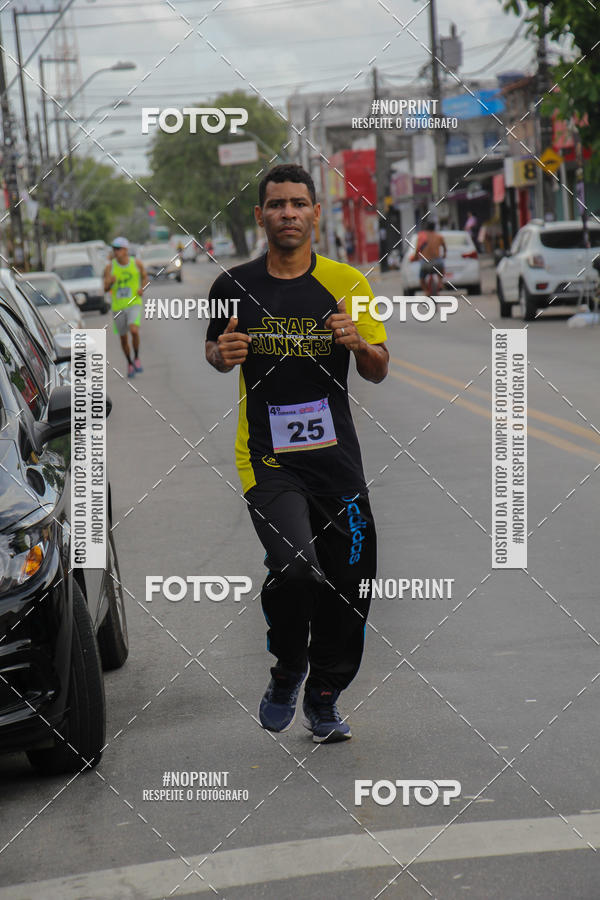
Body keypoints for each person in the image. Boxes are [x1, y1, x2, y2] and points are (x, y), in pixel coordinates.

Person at [205, 164, 389, 744]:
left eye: (298, 203)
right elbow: (215, 351)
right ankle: (288, 668)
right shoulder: (231, 286)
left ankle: (325, 696)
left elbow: (379, 368)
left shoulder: (348, 283)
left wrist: (359, 343)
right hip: (267, 459)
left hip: (336, 464)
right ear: (260, 215)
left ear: (315, 212)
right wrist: (222, 354)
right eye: (277, 204)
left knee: (353, 580)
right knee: (295, 568)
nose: (288, 212)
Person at [103, 237, 147, 378]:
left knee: (134, 330)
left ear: (125, 250)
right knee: (123, 338)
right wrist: (110, 282)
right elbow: (105, 288)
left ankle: (137, 357)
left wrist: (142, 288)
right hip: (118, 306)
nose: (116, 252)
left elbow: (145, 278)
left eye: (118, 249)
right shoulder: (110, 267)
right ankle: (129, 363)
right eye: (114, 249)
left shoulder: (136, 263)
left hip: (134, 303)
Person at [413, 221, 447, 294]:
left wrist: (415, 257)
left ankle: (426, 291)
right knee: (441, 269)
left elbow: (417, 249)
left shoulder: (421, 236)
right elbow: (444, 247)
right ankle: (440, 282)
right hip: (437, 263)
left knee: (422, 278)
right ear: (434, 228)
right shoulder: (439, 236)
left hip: (425, 264)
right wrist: (444, 255)